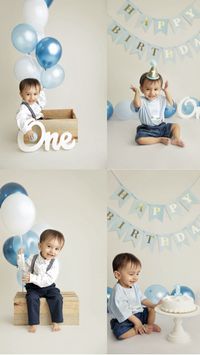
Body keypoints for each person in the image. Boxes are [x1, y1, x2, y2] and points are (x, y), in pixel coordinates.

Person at [17, 229, 65, 333]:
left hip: (48, 286)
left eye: (57, 249)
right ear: (40, 246)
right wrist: (20, 256)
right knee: (31, 298)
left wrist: (32, 277)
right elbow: (24, 268)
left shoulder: (55, 263)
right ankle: (33, 323)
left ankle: (55, 322)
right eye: (49, 246)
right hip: (34, 287)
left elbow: (48, 280)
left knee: (57, 297)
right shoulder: (33, 258)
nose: (52, 251)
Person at [130, 61, 184, 147]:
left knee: (176, 126)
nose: (152, 92)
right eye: (148, 89)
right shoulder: (141, 100)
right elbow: (136, 104)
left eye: (156, 89)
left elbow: (171, 104)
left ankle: (176, 139)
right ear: (142, 88)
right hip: (147, 128)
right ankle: (159, 139)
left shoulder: (161, 99)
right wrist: (137, 92)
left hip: (161, 126)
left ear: (160, 89)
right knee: (139, 140)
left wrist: (166, 92)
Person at [108, 252, 161, 340]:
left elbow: (142, 298)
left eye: (137, 274)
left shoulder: (135, 286)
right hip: (126, 318)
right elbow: (124, 311)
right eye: (131, 274)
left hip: (138, 313)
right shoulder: (118, 291)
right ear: (118, 275)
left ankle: (149, 325)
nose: (135, 277)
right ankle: (137, 330)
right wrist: (137, 322)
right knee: (120, 333)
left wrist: (153, 305)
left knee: (151, 309)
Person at [16, 78, 46, 142]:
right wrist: (27, 130)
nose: (32, 97)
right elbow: (21, 120)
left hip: (41, 122)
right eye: (28, 94)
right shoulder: (23, 108)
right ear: (21, 95)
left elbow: (42, 103)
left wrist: (42, 90)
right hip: (32, 127)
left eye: (35, 94)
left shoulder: (35, 103)